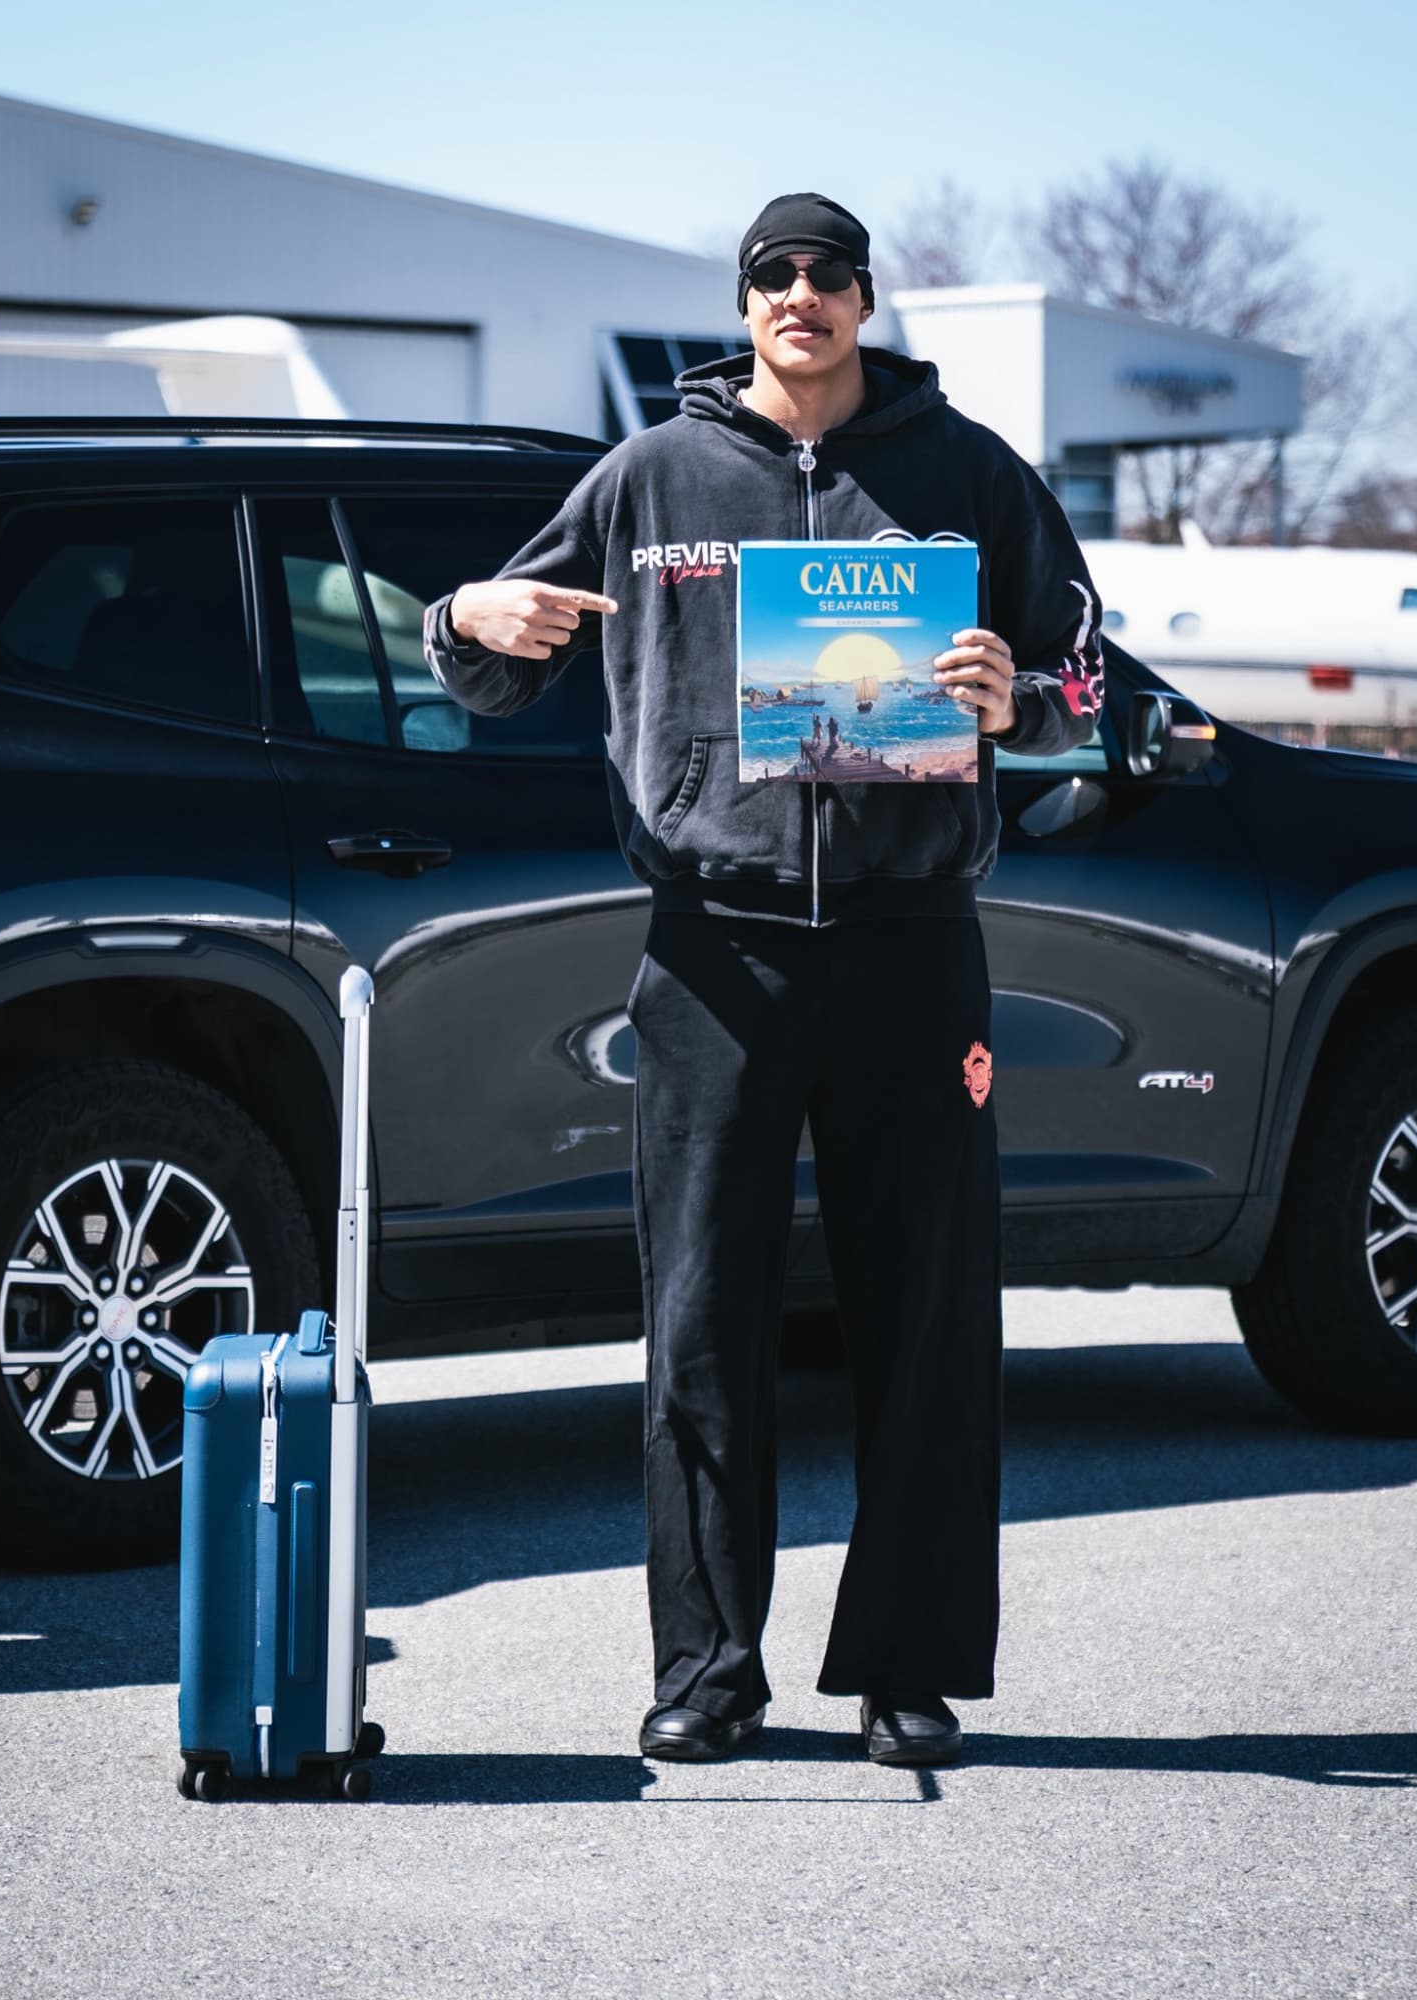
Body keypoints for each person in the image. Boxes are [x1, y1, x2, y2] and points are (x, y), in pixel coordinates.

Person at [422, 191, 1104, 1768]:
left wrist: (1022, 700)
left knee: (923, 1320)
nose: (801, 293)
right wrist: (467, 612)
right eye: (773, 273)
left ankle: (909, 1669)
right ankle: (707, 1671)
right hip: (714, 953)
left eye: (829, 272)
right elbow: (489, 658)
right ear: (744, 305)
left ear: (865, 300)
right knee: (701, 1323)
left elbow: (1083, 674)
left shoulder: (965, 473)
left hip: (911, 945)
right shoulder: (650, 474)